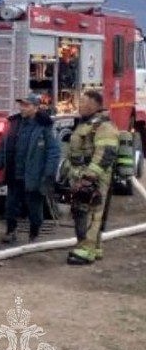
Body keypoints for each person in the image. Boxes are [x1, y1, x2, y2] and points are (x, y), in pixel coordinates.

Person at [0, 94, 60, 244]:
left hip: (34, 175)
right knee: (10, 206)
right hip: (15, 173)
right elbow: (4, 144)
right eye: (21, 105)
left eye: (27, 105)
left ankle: (34, 232)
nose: (23, 108)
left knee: (34, 208)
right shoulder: (14, 123)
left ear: (36, 108)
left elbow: (53, 151)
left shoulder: (44, 126)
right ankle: (11, 230)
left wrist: (48, 173)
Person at [63, 89, 119, 266]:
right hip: (80, 174)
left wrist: (89, 177)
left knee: (92, 212)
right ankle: (93, 247)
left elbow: (106, 154)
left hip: (94, 177)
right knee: (81, 211)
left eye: (83, 102)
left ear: (95, 105)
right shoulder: (85, 124)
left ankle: (86, 250)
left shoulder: (104, 126)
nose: (80, 105)